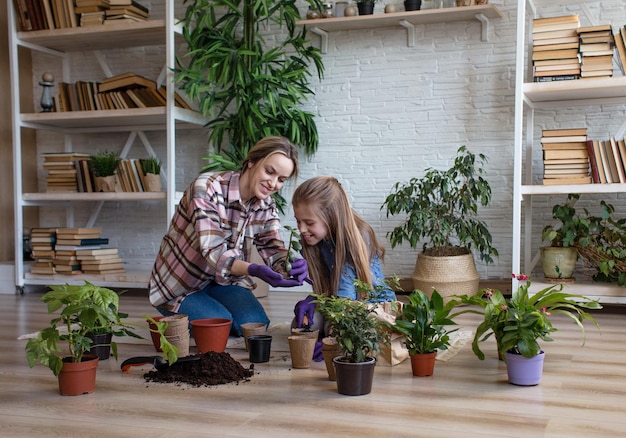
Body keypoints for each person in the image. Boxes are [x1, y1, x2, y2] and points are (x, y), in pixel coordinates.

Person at [148, 136, 310, 337]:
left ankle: (207, 311)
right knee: (220, 328)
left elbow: (272, 246)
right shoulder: (207, 188)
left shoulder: (266, 204)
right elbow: (214, 253)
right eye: (270, 171)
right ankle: (178, 317)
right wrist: (254, 269)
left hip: (222, 282)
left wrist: (288, 265)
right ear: (251, 161)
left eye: (281, 180)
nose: (273, 183)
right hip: (181, 286)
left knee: (255, 326)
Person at [291, 176, 396, 359]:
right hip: (338, 302)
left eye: (309, 223)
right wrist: (314, 300)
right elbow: (326, 287)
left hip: (370, 305)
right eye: (298, 221)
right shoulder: (315, 239)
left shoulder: (358, 236)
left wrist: (334, 334)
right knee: (303, 324)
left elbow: (346, 298)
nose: (301, 229)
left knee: (338, 330)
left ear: (331, 216)